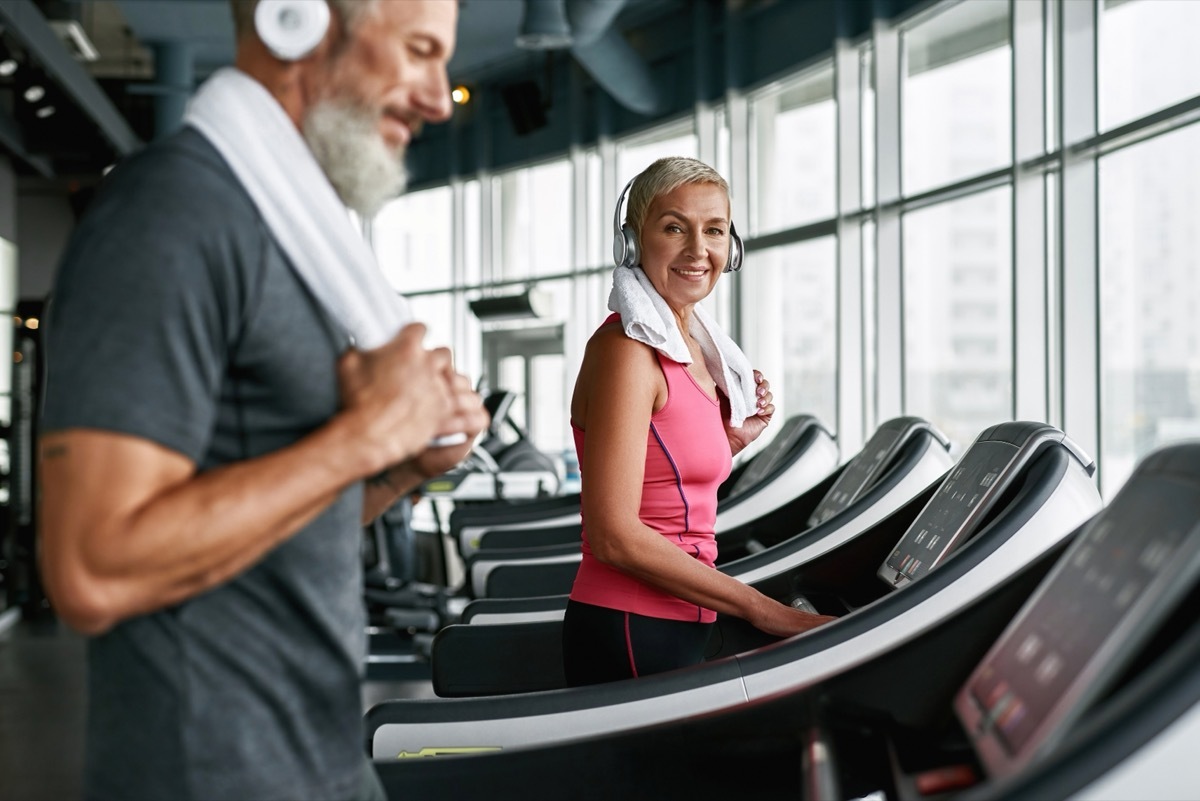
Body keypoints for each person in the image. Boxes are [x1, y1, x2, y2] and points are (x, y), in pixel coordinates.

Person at [36, 2, 487, 799]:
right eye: (419, 51)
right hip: (209, 772)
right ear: (297, 19)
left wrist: (397, 464)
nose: (434, 94)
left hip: (318, 755)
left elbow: (275, 526)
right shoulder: (170, 214)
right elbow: (91, 567)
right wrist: (367, 432)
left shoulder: (294, 233)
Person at [562, 156, 836, 687]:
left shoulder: (687, 347)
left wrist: (728, 441)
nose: (697, 250)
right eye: (673, 227)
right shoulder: (628, 350)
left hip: (679, 618)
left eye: (713, 230)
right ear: (633, 242)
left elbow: (659, 480)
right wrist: (762, 609)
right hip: (631, 625)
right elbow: (614, 534)